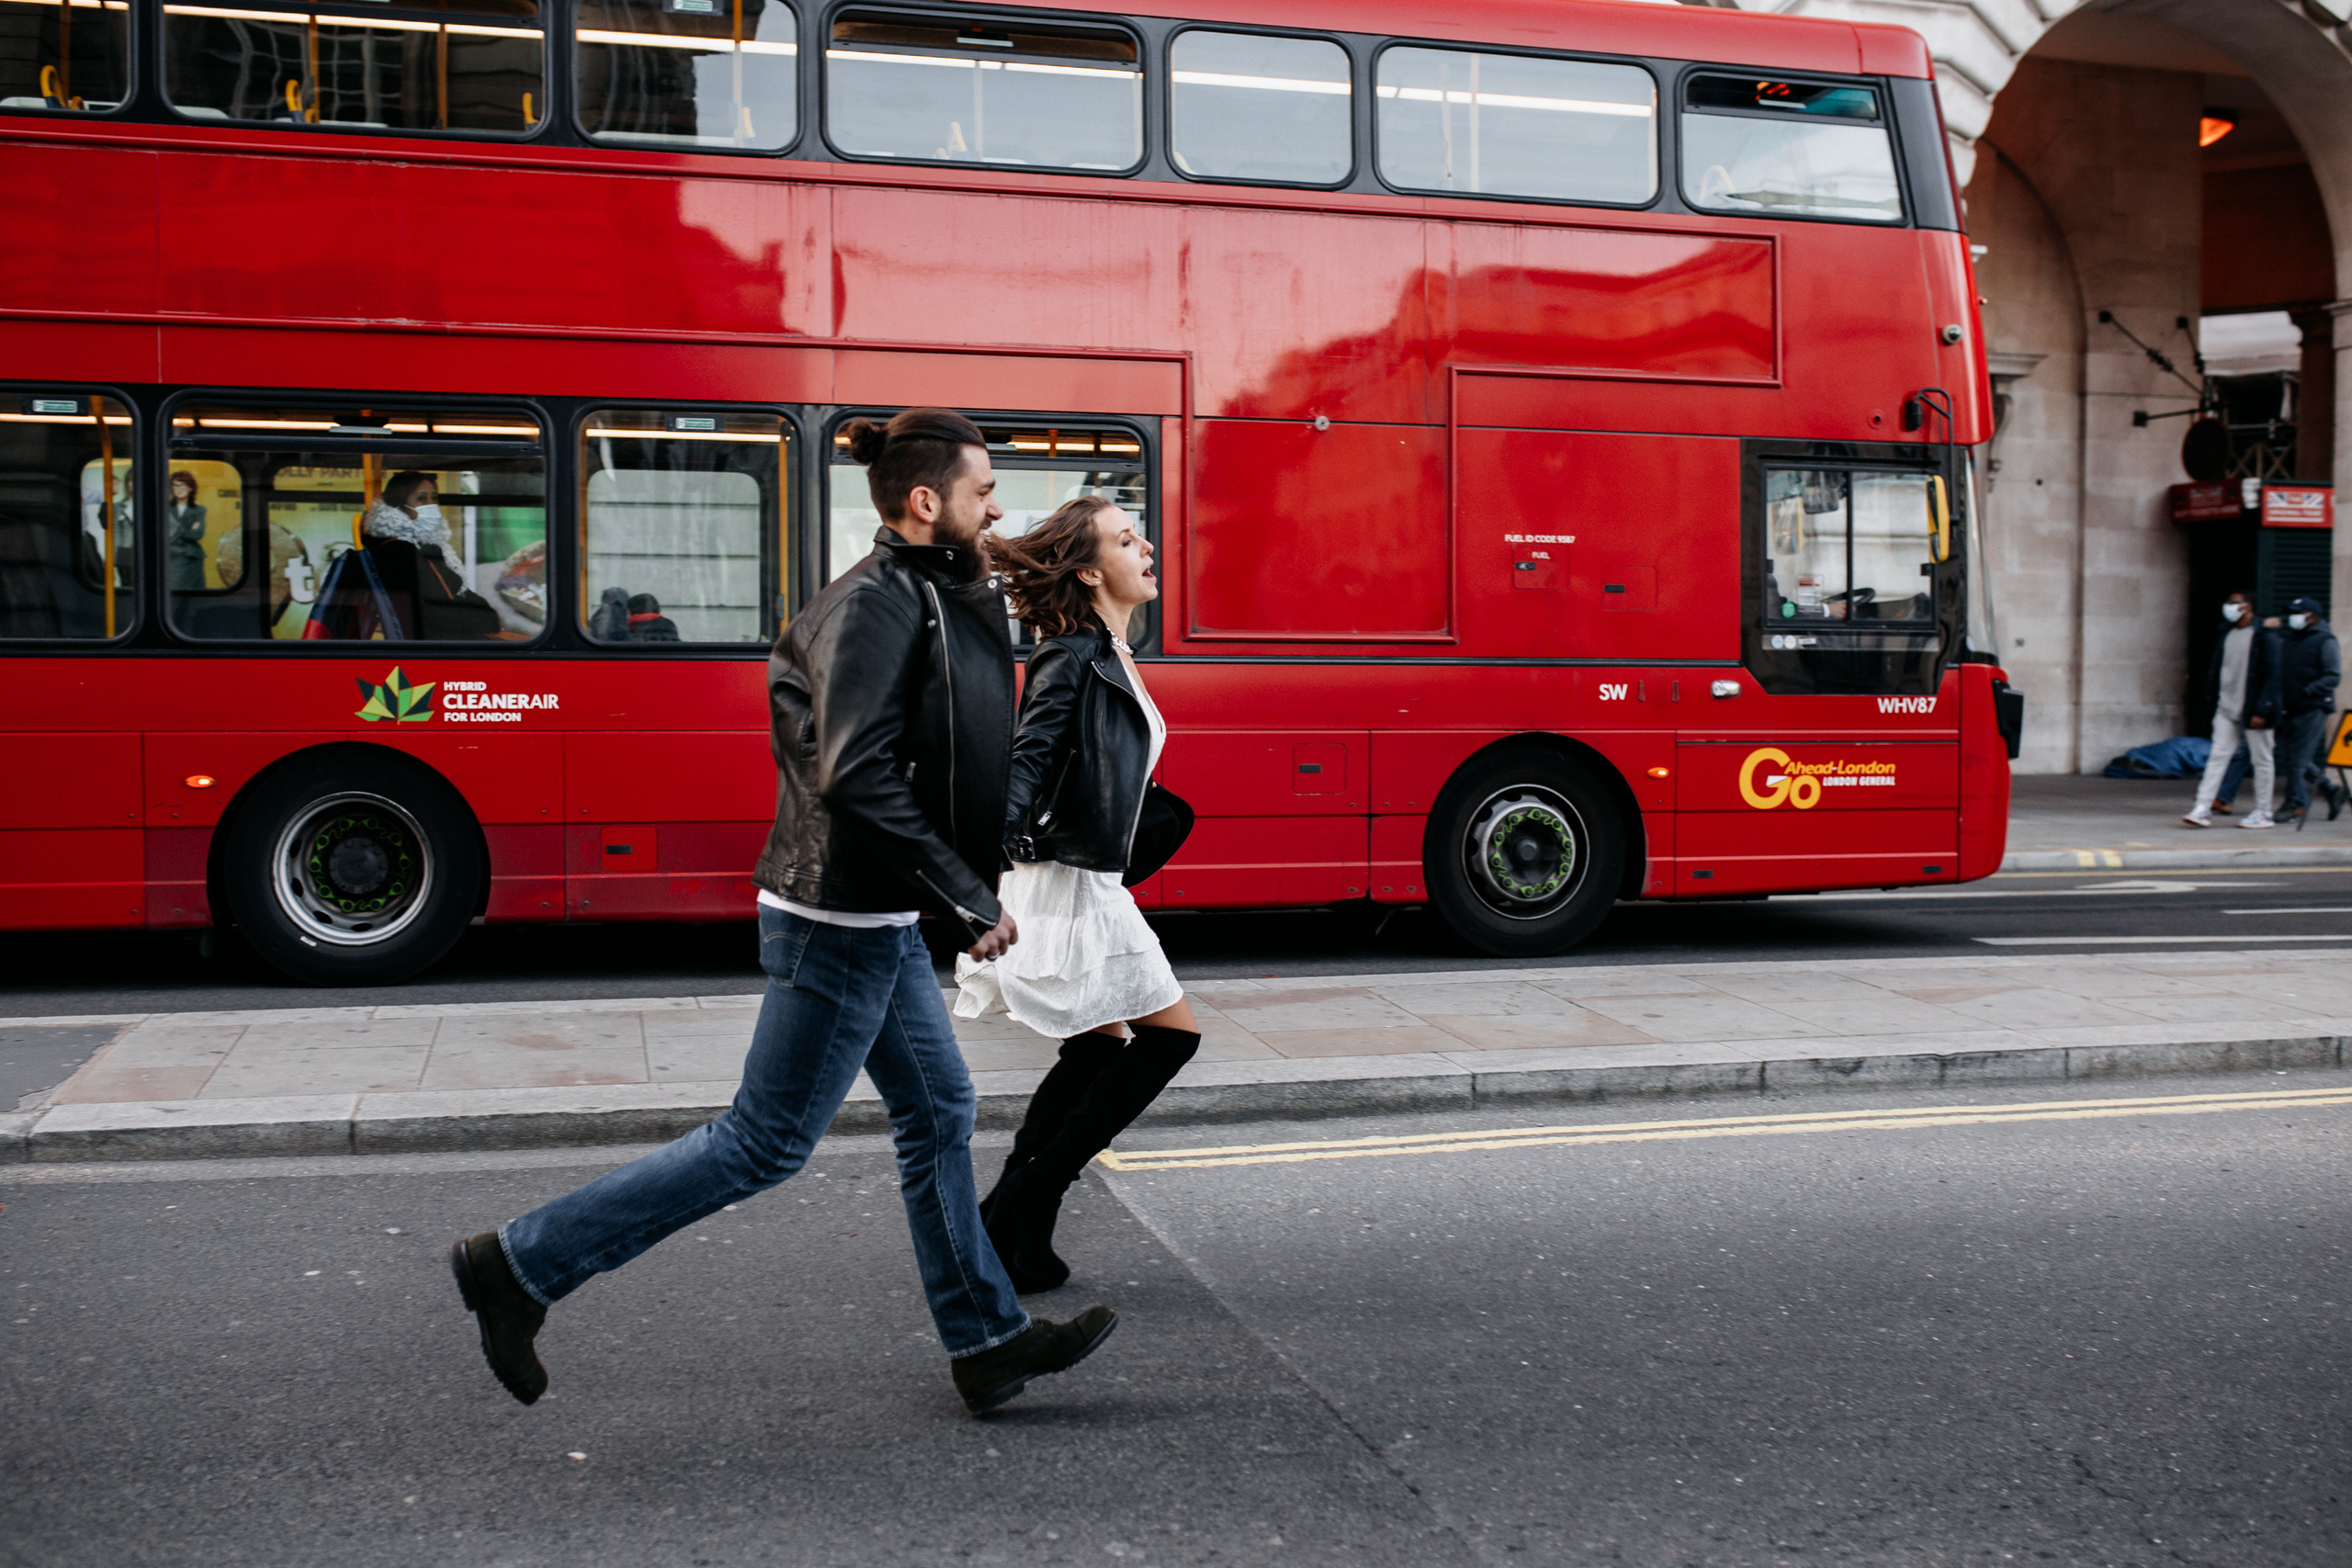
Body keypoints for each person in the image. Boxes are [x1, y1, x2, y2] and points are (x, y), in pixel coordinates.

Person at [448, 408, 1117, 1416]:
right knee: (764, 1143)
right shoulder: (878, 604)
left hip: (873, 912)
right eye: (984, 491)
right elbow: (855, 773)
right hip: (837, 918)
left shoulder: (924, 592)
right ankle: (521, 1265)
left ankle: (986, 1341)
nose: (997, 506)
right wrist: (964, 893)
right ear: (927, 502)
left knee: (938, 1112)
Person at [956, 495, 1201, 1294]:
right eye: (1127, 540)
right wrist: (978, 885)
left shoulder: (1108, 649)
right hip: (1063, 885)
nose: (1148, 546)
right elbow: (1026, 765)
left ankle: (1018, 1228)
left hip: (1086, 877)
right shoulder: (1072, 653)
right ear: (1092, 570)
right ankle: (1015, 1206)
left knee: (1100, 1046)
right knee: (1169, 1039)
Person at [2183, 592, 2280, 829]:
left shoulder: (2265, 636)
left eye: (2235, 602)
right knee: (2217, 757)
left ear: (2248, 607)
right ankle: (2202, 807)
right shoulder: (2226, 633)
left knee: (2262, 760)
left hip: (2254, 710)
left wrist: (2262, 709)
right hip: (2227, 708)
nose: (2229, 606)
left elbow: (2273, 675)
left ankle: (2264, 811)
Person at [2276, 595, 2345, 826]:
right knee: (2294, 759)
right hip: (2291, 707)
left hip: (2313, 707)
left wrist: (2308, 690)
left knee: (2297, 760)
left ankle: (2294, 804)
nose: (2292, 618)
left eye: (2298, 613)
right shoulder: (2292, 640)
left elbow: (2333, 676)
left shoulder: (2325, 641)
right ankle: (2331, 789)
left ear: (2313, 616)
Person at [164, 471, 209, 592]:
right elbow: (164, 534)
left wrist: (175, 528)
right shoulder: (165, 507)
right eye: (175, 486)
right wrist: (187, 529)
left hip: (193, 559)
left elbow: (198, 534)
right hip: (172, 558)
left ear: (190, 488)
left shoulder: (199, 510)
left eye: (182, 485)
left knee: (194, 598)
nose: (179, 489)